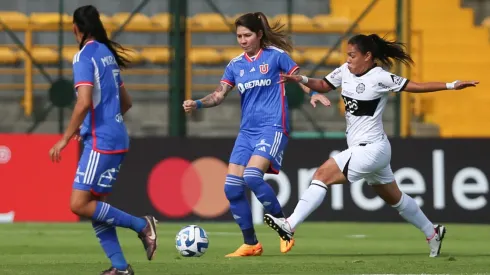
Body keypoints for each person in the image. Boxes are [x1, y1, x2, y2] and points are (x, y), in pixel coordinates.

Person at [264, 33, 479, 257]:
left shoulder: (380, 77)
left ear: (367, 56)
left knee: (321, 175)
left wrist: (451, 85)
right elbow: (324, 85)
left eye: (352, 55)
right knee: (394, 198)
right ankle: (432, 232)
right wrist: (304, 80)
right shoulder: (344, 71)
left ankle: (290, 225)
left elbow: (415, 86)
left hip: (371, 148)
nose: (348, 59)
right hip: (374, 149)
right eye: (347, 55)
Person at [183, 12, 331, 257]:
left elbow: (298, 78)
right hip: (247, 133)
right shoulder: (235, 65)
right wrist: (197, 103)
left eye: (247, 35)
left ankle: (285, 228)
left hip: (272, 127)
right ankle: (251, 243)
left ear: (259, 35)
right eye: (239, 36)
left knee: (252, 177)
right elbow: (219, 95)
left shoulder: (276, 57)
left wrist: (312, 92)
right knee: (231, 188)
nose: (242, 40)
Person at [48, 5, 158, 274]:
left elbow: (84, 102)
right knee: (91, 206)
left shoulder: (83, 57)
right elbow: (126, 102)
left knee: (78, 204)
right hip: (115, 136)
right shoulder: (107, 54)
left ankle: (141, 225)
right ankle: (120, 268)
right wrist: (106, 120)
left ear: (75, 28)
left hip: (101, 141)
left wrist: (65, 137)